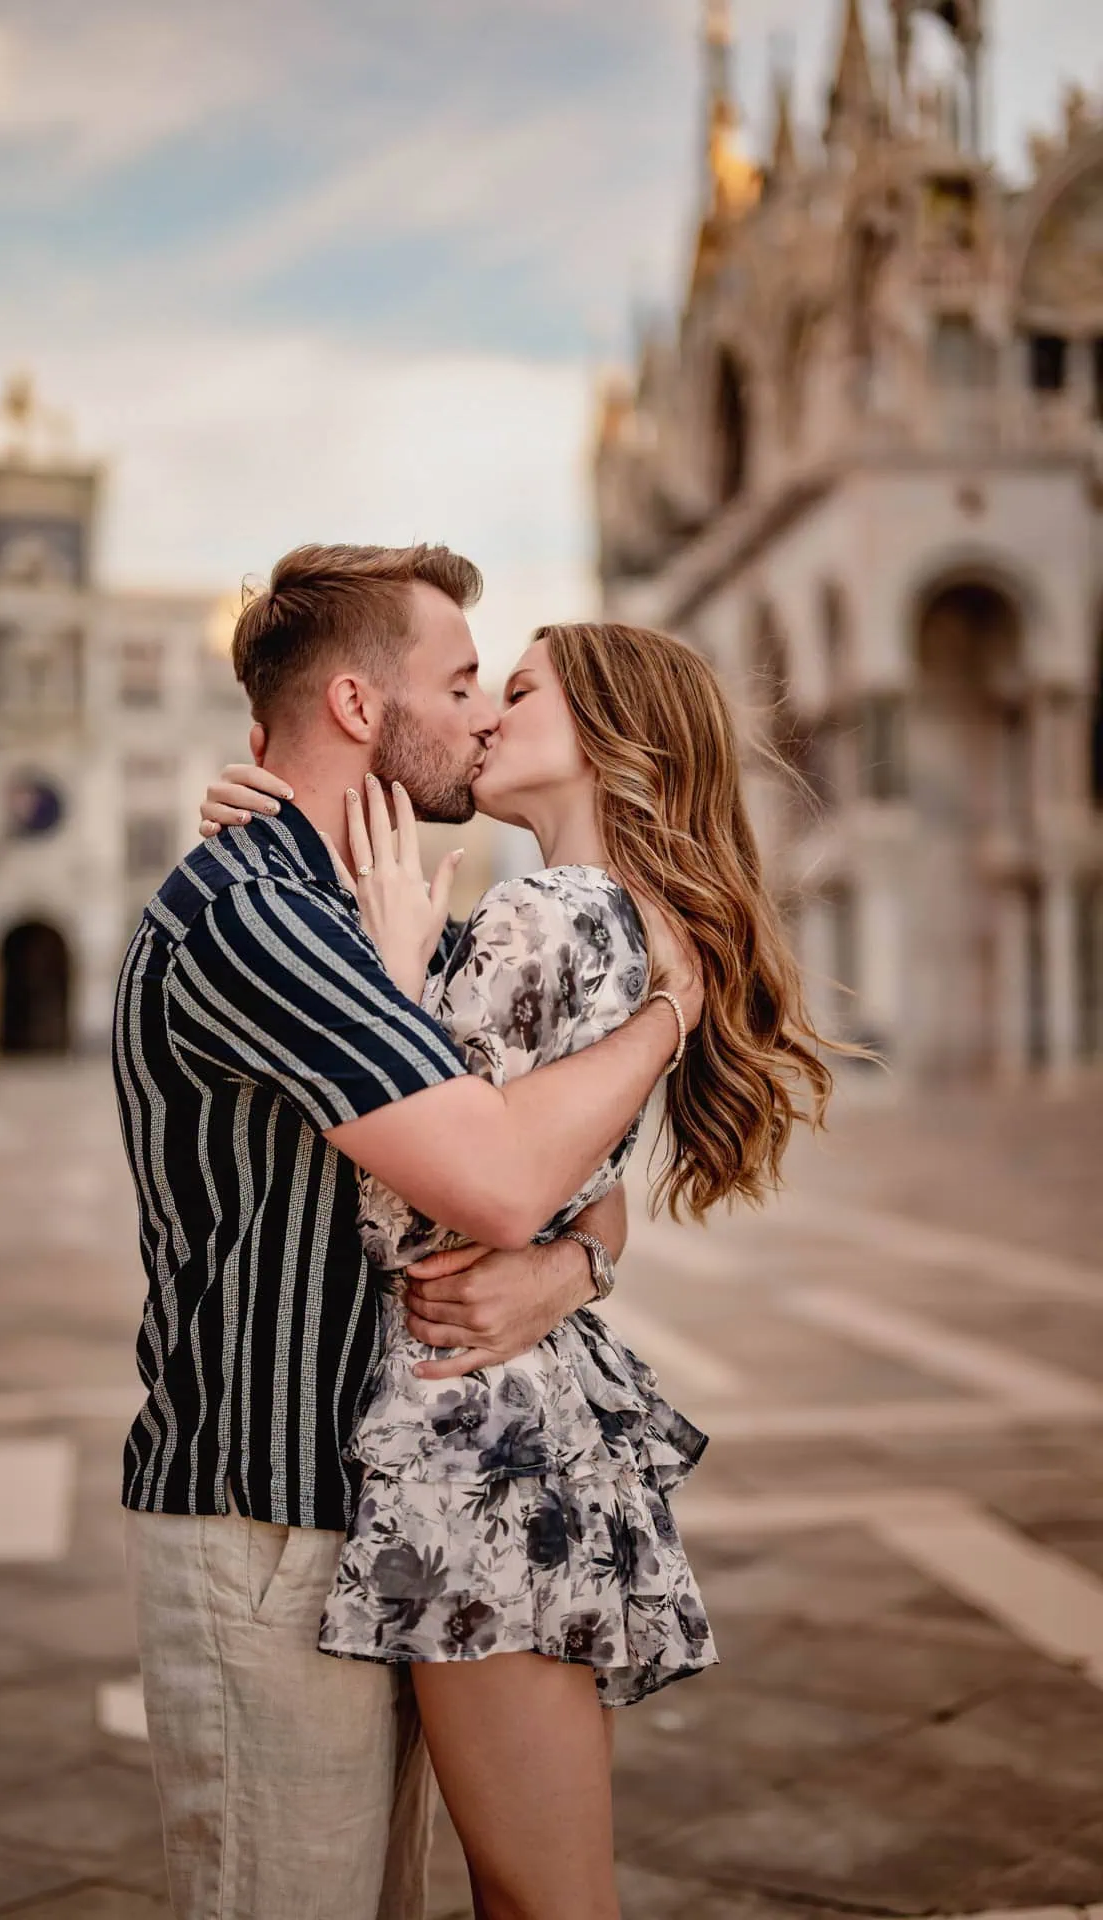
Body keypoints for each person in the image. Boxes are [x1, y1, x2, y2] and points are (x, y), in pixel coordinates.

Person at [201, 617, 838, 1919]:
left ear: (609, 736)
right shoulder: (620, 923)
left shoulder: (547, 916)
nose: (487, 712)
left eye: (521, 690)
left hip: (473, 1445)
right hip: (525, 1420)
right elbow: (570, 1185)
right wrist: (576, 1259)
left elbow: (421, 1197)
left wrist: (385, 969)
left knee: (545, 1900)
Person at [112, 544, 702, 1920]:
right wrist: (678, 1005)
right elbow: (493, 1178)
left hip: (381, 1501)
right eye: (460, 683)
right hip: (267, 1515)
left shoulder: (338, 902)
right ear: (366, 712)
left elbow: (552, 1176)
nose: (484, 713)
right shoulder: (263, 914)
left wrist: (575, 1260)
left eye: (504, 689)